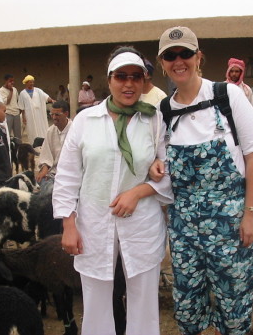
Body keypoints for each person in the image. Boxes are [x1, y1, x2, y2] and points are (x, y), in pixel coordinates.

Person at [151, 26, 253, 335]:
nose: (179, 61)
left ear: (198, 57)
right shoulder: (163, 111)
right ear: (162, 61)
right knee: (188, 308)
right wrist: (156, 166)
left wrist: (251, 214)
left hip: (232, 226)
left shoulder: (226, 95)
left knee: (234, 308)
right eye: (170, 55)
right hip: (184, 230)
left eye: (185, 54)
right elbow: (161, 162)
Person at [52, 46, 173, 335]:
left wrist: (139, 191)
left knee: (143, 299)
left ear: (144, 81)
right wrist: (68, 224)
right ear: (109, 81)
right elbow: (67, 175)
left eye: (136, 77)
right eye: (121, 77)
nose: (129, 84)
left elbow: (170, 172)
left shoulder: (154, 120)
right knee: (95, 299)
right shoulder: (85, 121)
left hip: (142, 221)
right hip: (93, 222)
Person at [35, 100, 72, 188]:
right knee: (45, 188)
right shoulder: (50, 131)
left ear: (66, 114)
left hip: (71, 173)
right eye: (52, 114)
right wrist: (44, 170)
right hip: (53, 172)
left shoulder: (75, 130)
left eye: (57, 115)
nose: (54, 117)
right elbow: (46, 155)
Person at [18, 75, 55, 143]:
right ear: (26, 83)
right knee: (31, 129)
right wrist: (23, 117)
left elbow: (46, 97)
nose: (32, 83)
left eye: (32, 82)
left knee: (41, 127)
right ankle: (34, 143)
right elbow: (22, 107)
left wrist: (52, 100)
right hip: (29, 115)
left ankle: (44, 142)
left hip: (39, 114)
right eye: (30, 82)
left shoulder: (38, 91)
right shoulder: (22, 93)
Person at [0, 74, 22, 139]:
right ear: (6, 81)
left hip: (16, 113)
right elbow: (7, 102)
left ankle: (18, 147)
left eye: (13, 81)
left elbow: (17, 100)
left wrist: (19, 110)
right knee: (7, 132)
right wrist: (11, 91)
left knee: (18, 134)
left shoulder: (15, 89)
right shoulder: (1, 90)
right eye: (10, 81)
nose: (12, 82)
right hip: (8, 113)